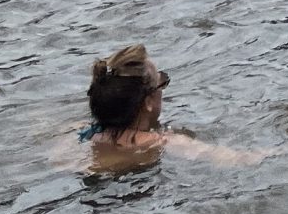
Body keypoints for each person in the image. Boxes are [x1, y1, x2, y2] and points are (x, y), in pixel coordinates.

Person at [78, 44, 262, 166]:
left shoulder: (84, 133)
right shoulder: (161, 141)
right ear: (148, 102)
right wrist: (276, 152)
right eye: (161, 83)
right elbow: (235, 159)